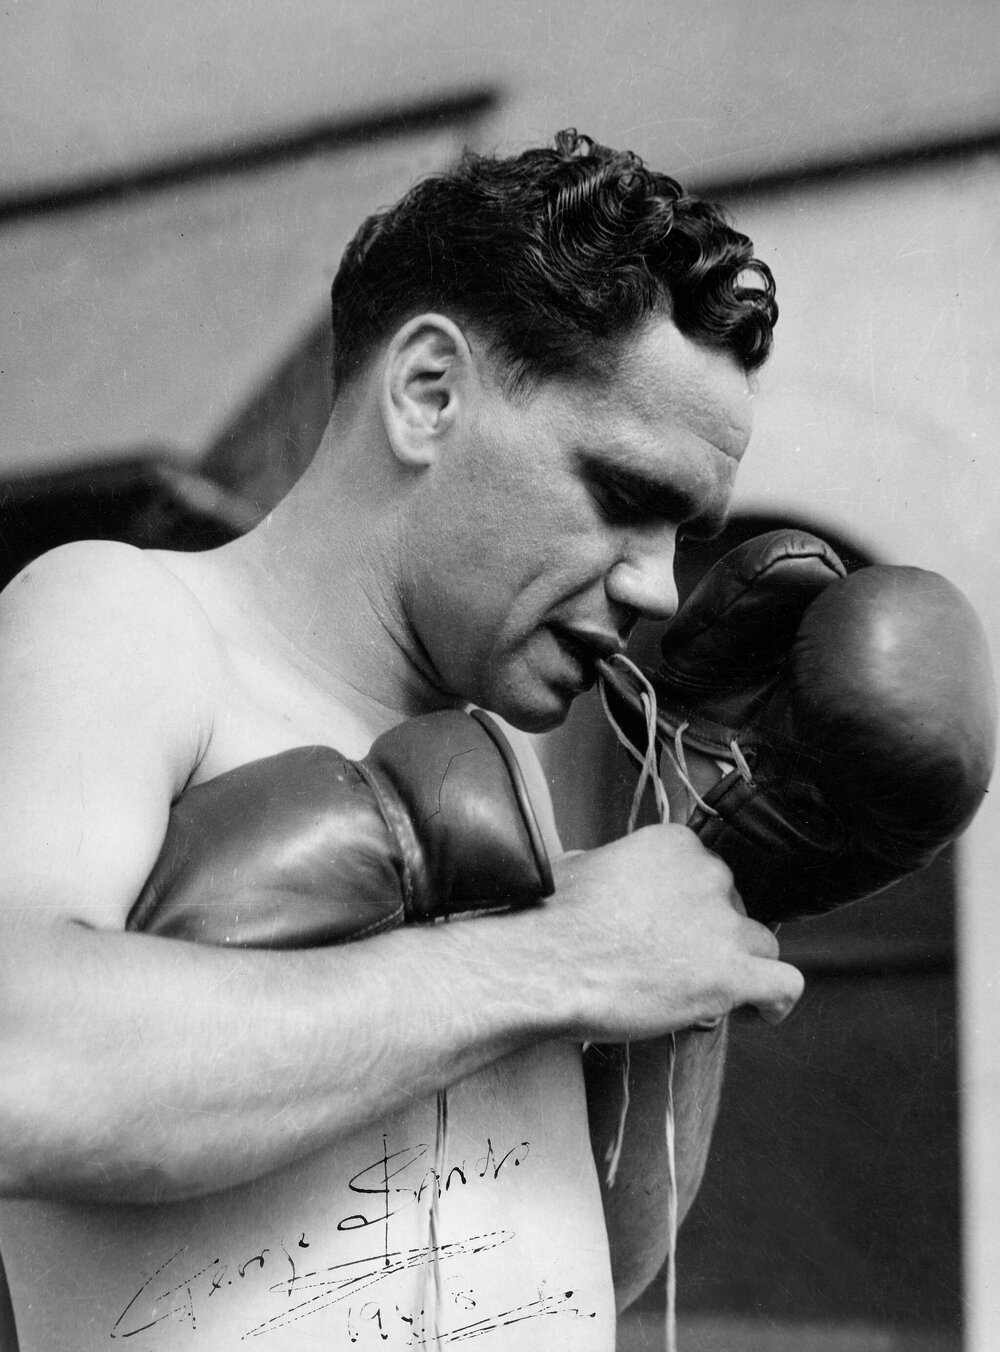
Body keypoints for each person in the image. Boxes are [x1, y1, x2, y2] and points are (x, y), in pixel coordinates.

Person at [0, 129, 803, 1350]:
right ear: (429, 390)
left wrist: (717, 915)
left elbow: (590, 1261)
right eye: (625, 498)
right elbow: (19, 1062)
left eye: (682, 536)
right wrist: (560, 963)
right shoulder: (125, 619)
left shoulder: (498, 757)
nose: (656, 587)